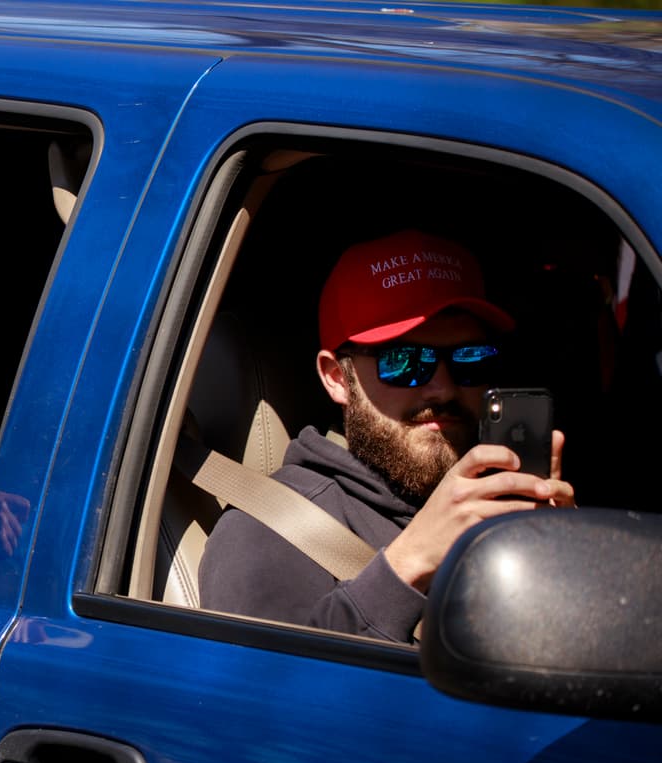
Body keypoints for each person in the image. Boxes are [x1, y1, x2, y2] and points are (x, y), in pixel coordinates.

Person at [197, 229, 575, 644]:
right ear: (338, 378)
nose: (444, 389)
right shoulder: (263, 535)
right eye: (404, 361)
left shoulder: (504, 506)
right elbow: (268, 699)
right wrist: (408, 564)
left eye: (470, 359)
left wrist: (560, 558)